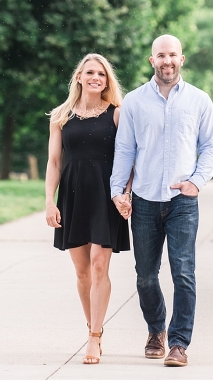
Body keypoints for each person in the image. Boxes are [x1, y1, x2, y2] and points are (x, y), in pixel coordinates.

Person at [110, 34, 213, 367]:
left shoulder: (199, 100)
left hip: (182, 201)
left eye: (173, 55)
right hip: (144, 200)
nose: (167, 61)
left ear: (181, 59)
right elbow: (125, 149)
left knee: (183, 272)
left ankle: (179, 343)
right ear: (152, 60)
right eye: (161, 55)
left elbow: (210, 145)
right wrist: (118, 191)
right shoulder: (134, 102)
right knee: (145, 275)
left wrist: (196, 182)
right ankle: (156, 329)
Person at [45, 53, 132, 365]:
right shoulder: (61, 115)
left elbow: (128, 157)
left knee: (98, 265)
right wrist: (49, 200)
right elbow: (55, 161)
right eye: (90, 72)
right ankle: (92, 326)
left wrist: (125, 194)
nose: (96, 78)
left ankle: (94, 337)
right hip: (72, 195)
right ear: (79, 77)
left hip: (105, 196)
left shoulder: (117, 114)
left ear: (107, 81)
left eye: (102, 74)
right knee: (82, 271)